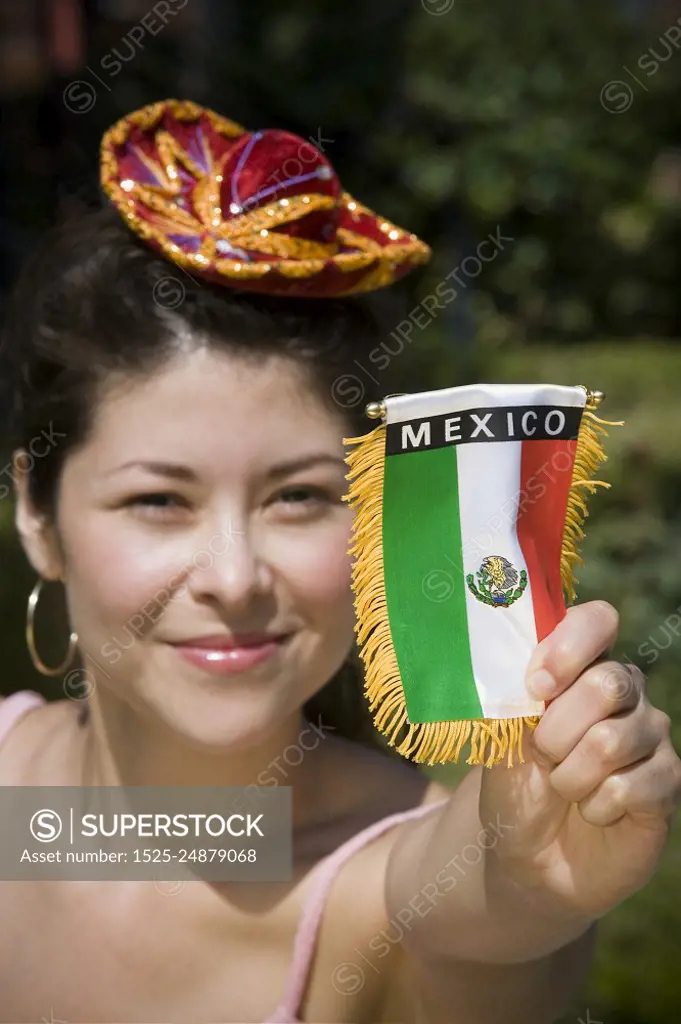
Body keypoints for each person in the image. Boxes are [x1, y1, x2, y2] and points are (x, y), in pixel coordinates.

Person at [0, 99, 679, 1024]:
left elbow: (468, 910)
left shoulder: (374, 879)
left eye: (299, 497)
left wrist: (533, 889)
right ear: (38, 513)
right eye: (158, 501)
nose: (234, 577)